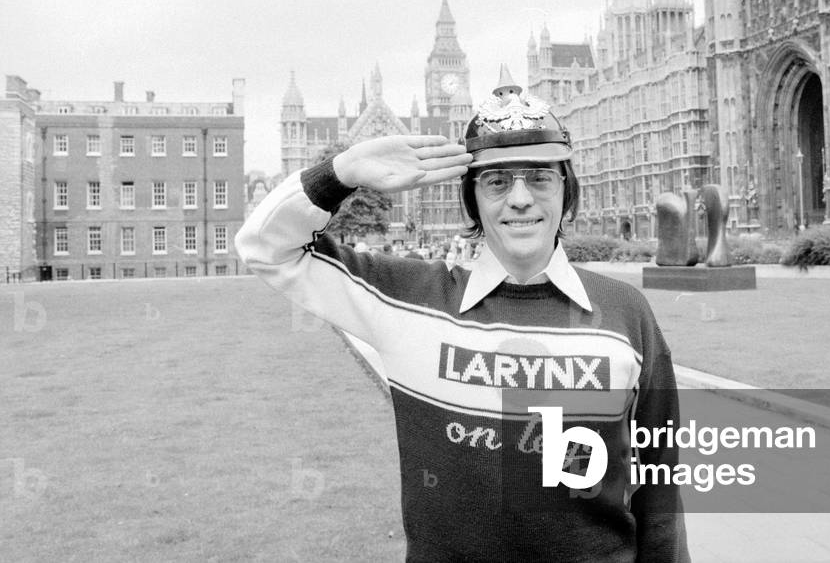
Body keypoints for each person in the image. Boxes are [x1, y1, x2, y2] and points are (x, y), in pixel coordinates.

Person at [237, 66, 688, 562]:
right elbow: (265, 248)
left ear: (567, 190)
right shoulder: (409, 298)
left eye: (539, 177)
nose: (520, 199)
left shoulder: (626, 315)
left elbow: (659, 494)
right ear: (471, 198)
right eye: (496, 182)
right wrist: (340, 172)